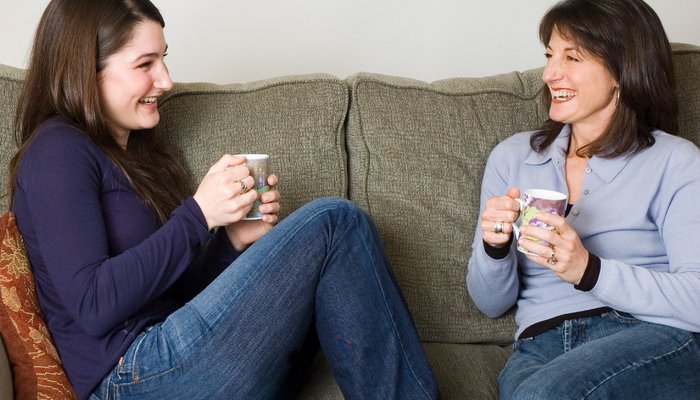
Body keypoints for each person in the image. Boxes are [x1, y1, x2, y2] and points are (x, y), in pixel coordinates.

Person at [9, 0, 440, 399]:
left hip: (169, 350)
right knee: (334, 223)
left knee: (328, 263)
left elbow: (175, 294)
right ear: (86, 71)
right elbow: (92, 304)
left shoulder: (140, 154)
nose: (166, 80)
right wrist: (198, 215)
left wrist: (230, 240)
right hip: (128, 376)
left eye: (163, 57)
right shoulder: (57, 150)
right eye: (145, 64)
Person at [466, 0, 700, 398]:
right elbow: (490, 304)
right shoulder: (514, 158)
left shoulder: (674, 161)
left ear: (623, 70)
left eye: (571, 57)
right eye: (549, 55)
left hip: (646, 336)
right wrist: (494, 247)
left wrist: (588, 270)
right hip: (538, 348)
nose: (549, 73)